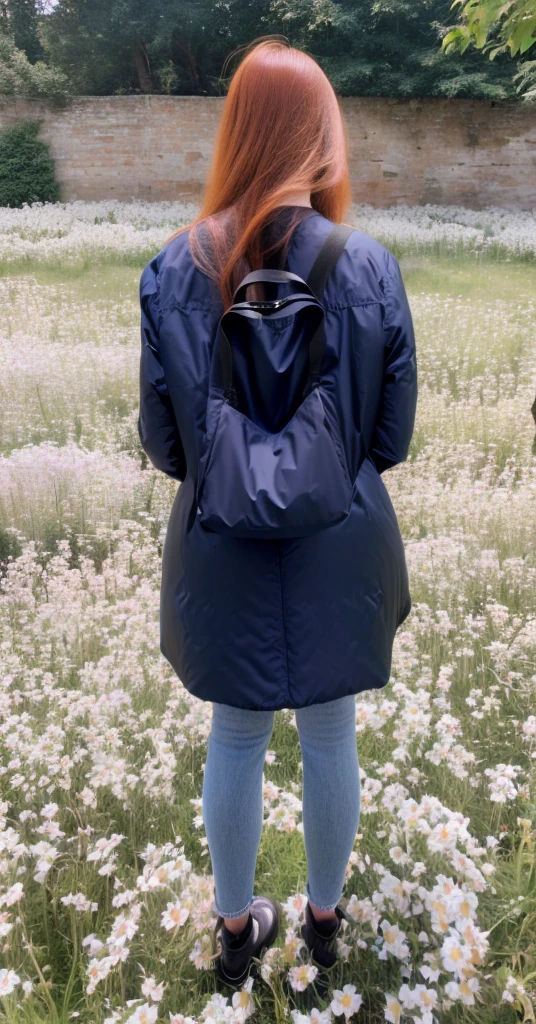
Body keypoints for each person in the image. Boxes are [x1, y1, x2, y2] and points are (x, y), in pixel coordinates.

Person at [138, 37, 418, 989]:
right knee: (331, 732)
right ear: (323, 138)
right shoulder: (370, 268)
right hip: (339, 543)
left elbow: (167, 445)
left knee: (238, 736)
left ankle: (232, 933)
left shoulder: (174, 270)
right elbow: (393, 435)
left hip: (220, 546)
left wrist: (236, 463)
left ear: (237, 132)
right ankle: (326, 923)